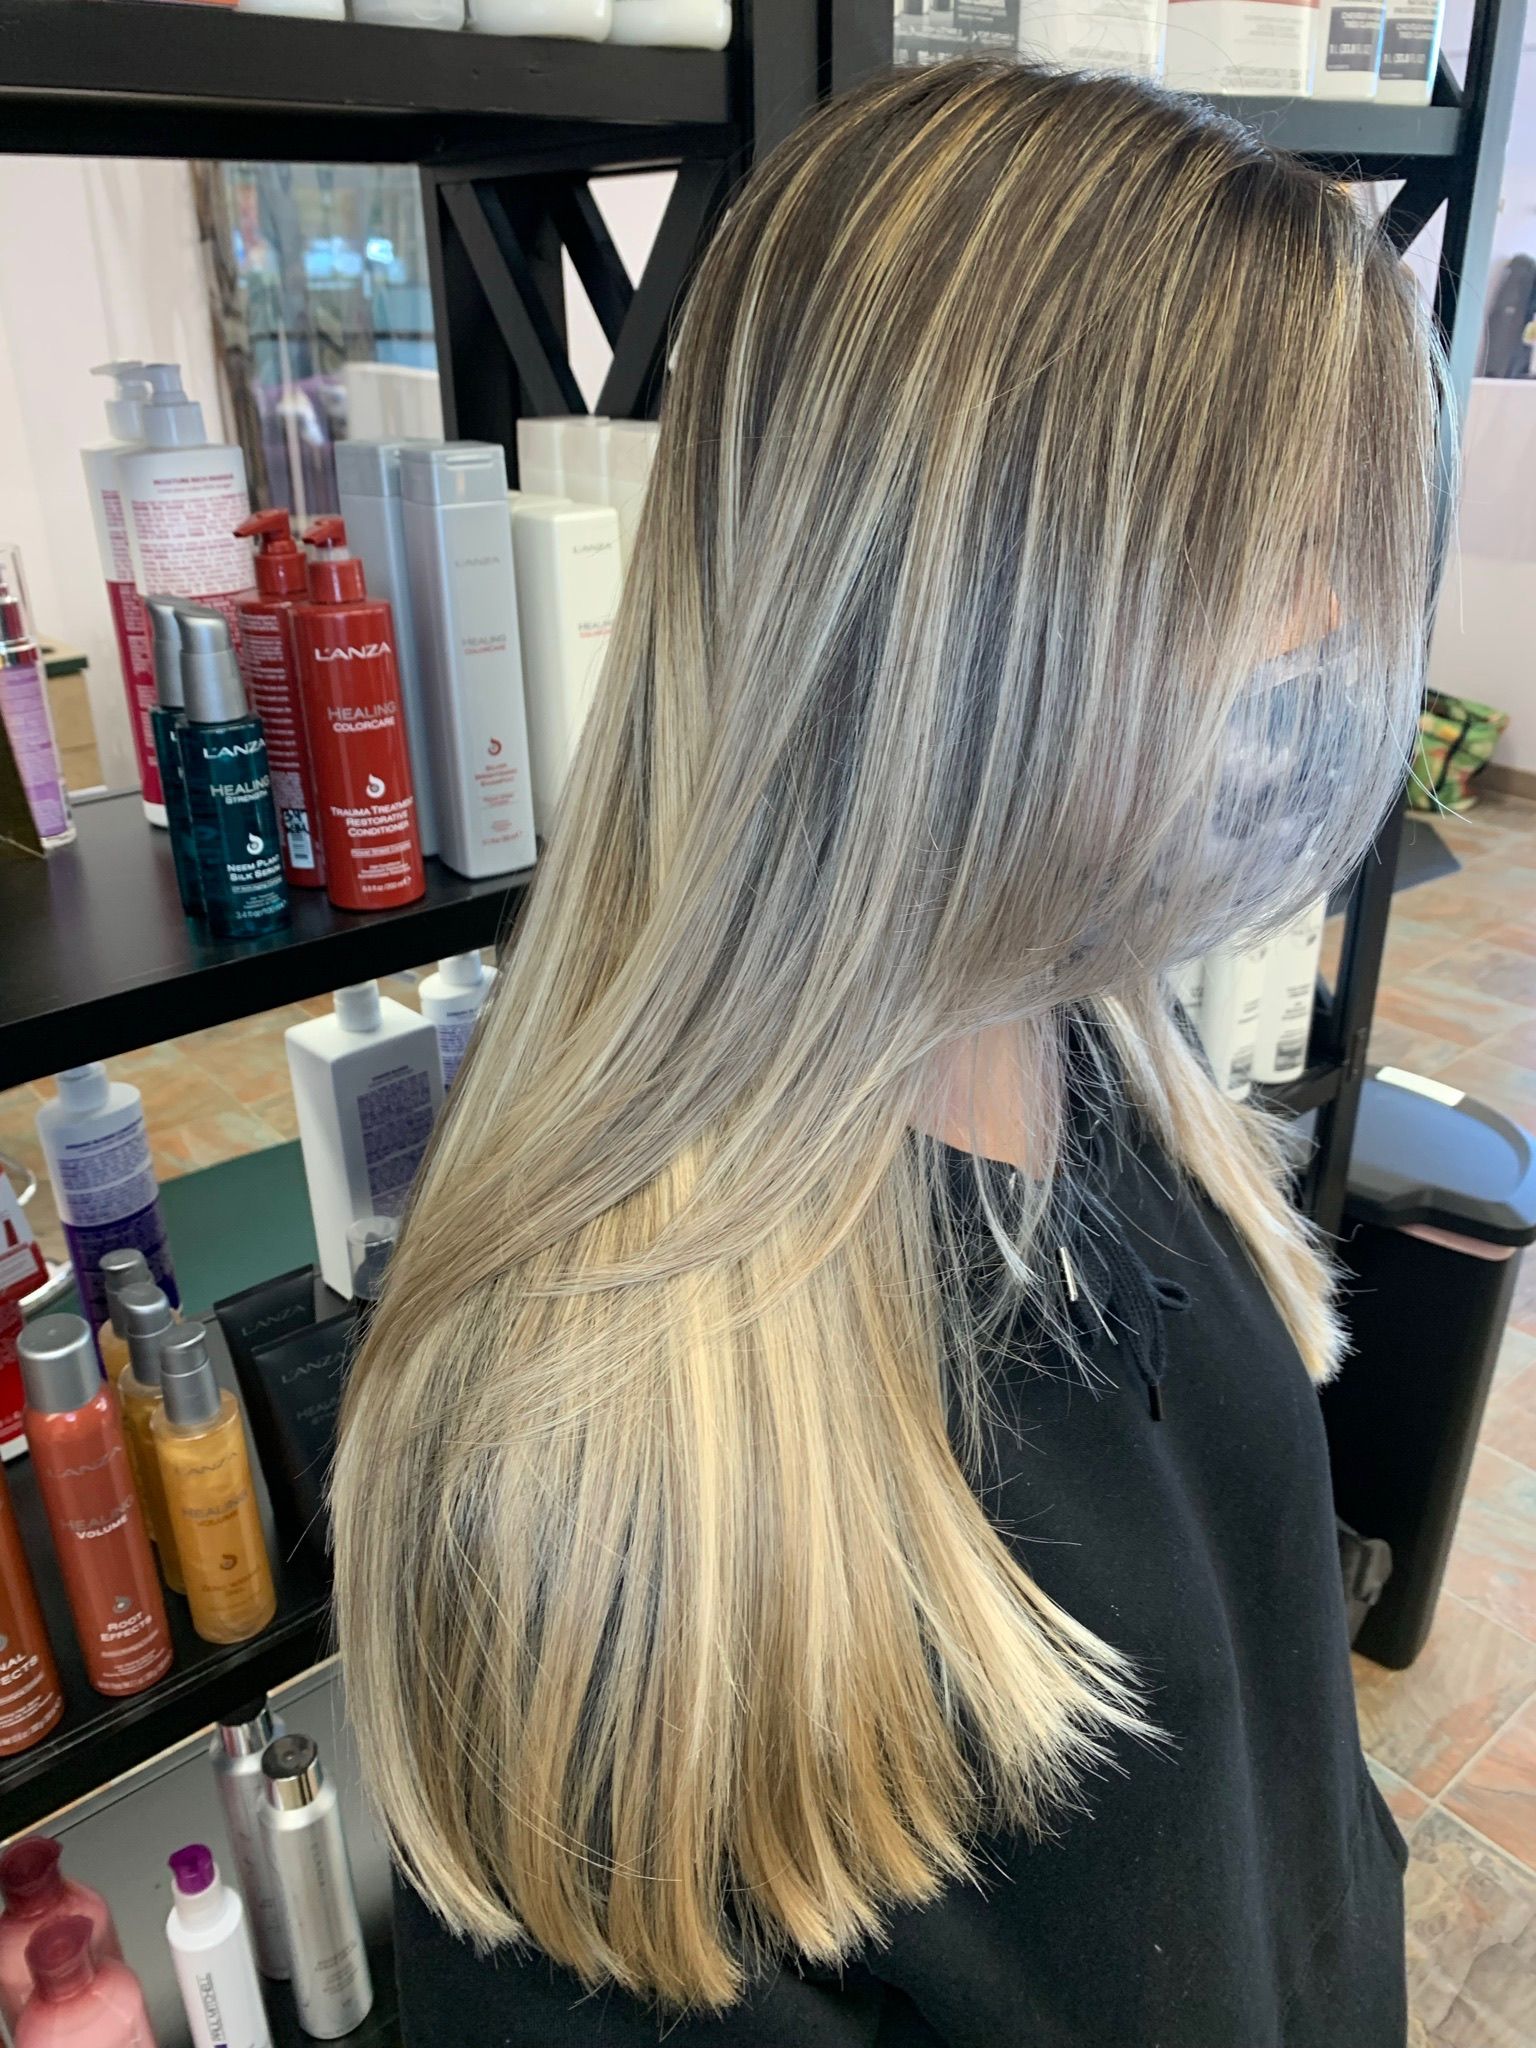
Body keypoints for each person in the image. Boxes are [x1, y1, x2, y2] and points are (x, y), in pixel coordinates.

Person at [333, 57, 1438, 2048]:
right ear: (954, 621)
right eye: (1253, 552)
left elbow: (1266, 1767)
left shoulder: (1097, 1038)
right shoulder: (606, 1503)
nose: (1318, 628)